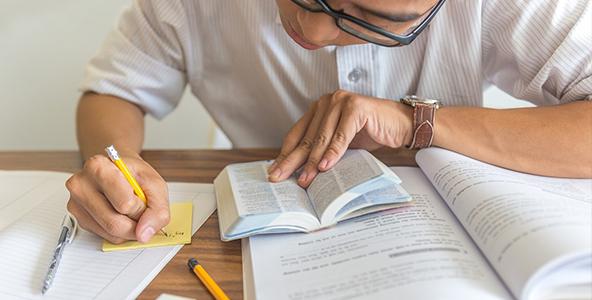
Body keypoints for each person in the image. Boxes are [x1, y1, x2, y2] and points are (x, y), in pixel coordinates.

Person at [66, 0, 592, 244]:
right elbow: (113, 91)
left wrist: (417, 123)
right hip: (268, 235)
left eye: (371, 18)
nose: (312, 31)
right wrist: (119, 163)